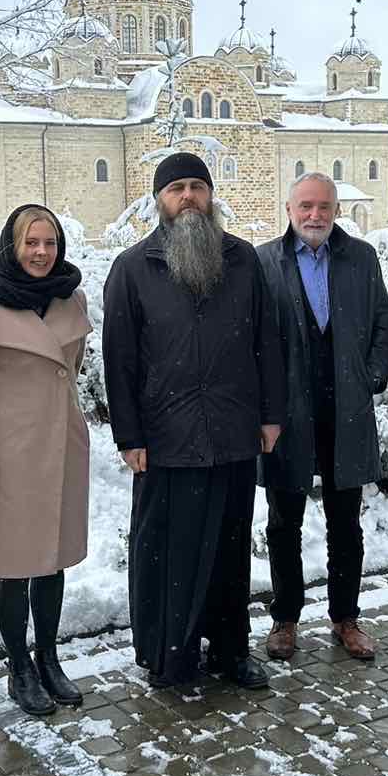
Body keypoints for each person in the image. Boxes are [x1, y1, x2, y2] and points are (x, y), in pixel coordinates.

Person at [103, 152, 286, 691]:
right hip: (166, 437)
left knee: (230, 550)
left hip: (232, 430)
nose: (188, 196)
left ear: (210, 195)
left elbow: (266, 340)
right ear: (159, 200)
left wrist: (271, 415)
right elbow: (120, 360)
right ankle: (171, 655)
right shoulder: (133, 268)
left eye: (196, 187)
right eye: (176, 188)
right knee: (169, 553)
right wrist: (129, 435)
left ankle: (231, 650)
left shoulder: (242, 259)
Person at [0, 203, 92, 717]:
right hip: (8, 451)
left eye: (49, 243)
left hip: (62, 444)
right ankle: (19, 667)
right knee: (15, 566)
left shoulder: (72, 296)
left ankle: (48, 657)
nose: (41, 252)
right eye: (30, 242)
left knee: (53, 562)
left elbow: (72, 368)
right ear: (12, 246)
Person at [257, 173, 388, 663]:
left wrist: (371, 376)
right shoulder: (264, 262)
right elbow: (251, 335)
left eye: (324, 206)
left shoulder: (362, 258)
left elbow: (382, 322)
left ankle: (345, 618)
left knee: (346, 524)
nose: (315, 215)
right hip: (286, 414)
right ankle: (285, 619)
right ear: (289, 209)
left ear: (336, 210)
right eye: (306, 206)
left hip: (346, 409)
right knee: (283, 523)